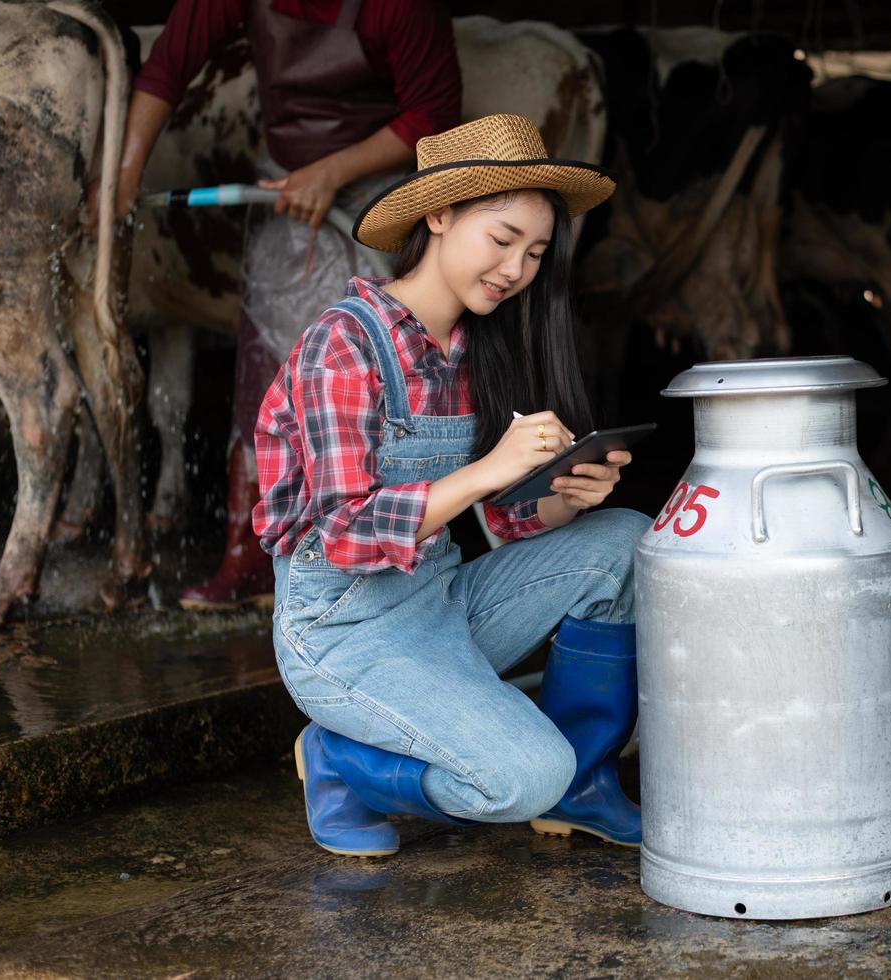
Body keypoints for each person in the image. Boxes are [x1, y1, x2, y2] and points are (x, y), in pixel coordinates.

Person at [255, 114, 650, 856]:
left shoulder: (476, 346)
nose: (516, 269)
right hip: (343, 633)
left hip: (441, 605)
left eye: (534, 253)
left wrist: (568, 495)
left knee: (624, 540)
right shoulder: (341, 346)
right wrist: (490, 467)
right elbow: (342, 534)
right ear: (438, 215)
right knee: (521, 777)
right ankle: (342, 762)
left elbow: (504, 521)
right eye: (501, 241)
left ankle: (583, 784)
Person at [111, 0, 463, 611]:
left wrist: (333, 172)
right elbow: (168, 66)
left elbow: (434, 116)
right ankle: (250, 555)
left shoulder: (401, 6)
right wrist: (123, 176)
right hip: (284, 183)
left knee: (378, 379)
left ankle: (378, 567)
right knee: (264, 373)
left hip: (379, 190)